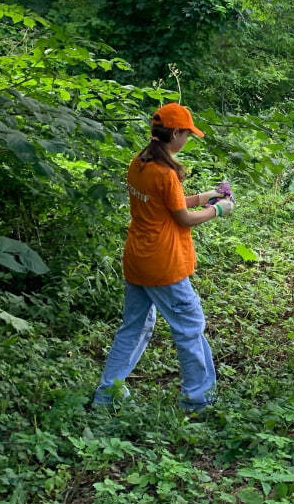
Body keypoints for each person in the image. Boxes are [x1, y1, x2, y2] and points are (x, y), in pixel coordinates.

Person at [94, 102, 234, 412]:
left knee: (134, 327)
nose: (187, 140)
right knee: (190, 326)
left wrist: (206, 195)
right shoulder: (165, 172)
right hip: (164, 264)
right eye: (187, 134)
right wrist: (218, 209)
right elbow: (182, 218)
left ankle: (107, 395)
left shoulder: (140, 163)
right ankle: (198, 400)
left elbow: (166, 202)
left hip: (137, 259)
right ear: (174, 132)